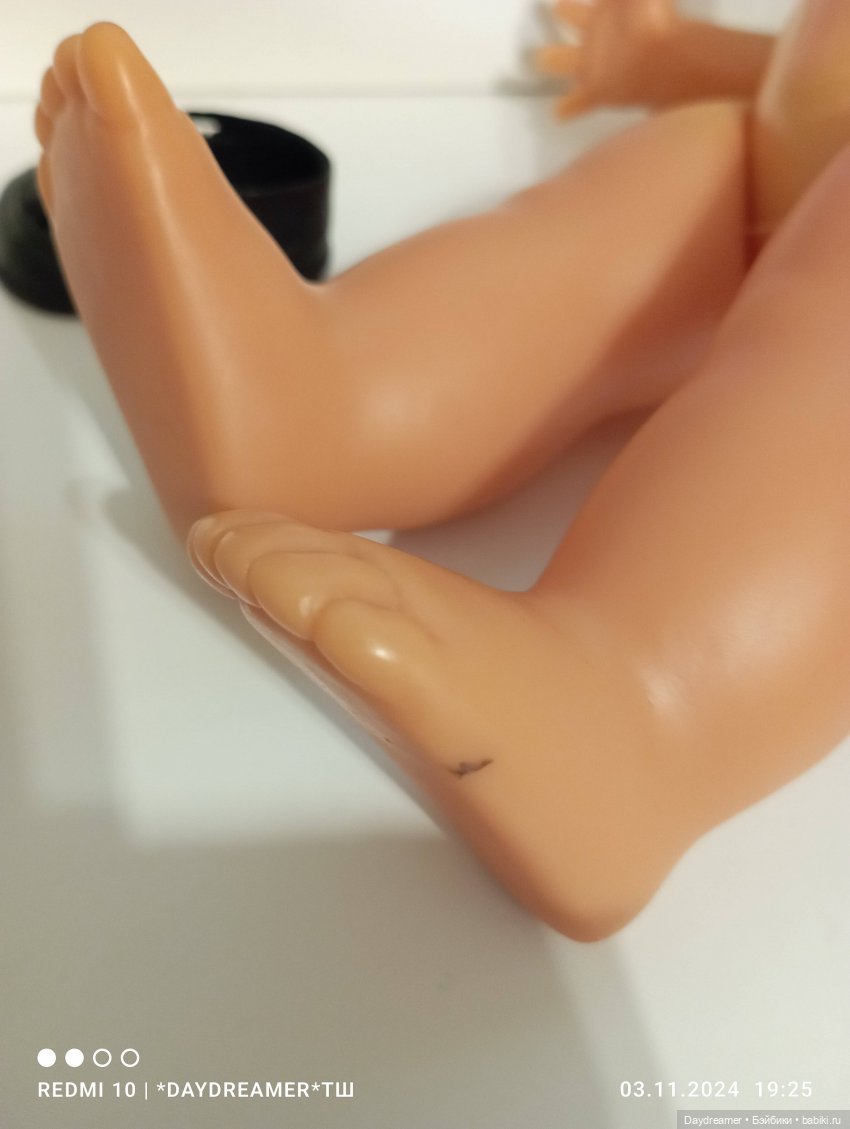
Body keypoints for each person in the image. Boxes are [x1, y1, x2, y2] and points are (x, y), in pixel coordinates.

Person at [35, 0, 850, 939]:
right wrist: (676, 55)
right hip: (776, 169)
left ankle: (637, 713)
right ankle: (307, 406)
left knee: (819, 359)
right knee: (613, 225)